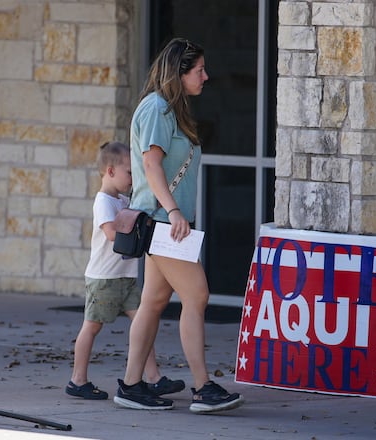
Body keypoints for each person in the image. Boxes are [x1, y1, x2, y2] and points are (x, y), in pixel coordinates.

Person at [114, 38, 245, 413]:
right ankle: (203, 388)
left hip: (165, 223)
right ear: (179, 72)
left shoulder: (170, 109)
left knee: (153, 302)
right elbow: (152, 166)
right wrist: (173, 213)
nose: (206, 76)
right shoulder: (156, 108)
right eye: (199, 70)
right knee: (197, 294)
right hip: (161, 222)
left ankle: (132, 385)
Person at [66, 141, 185, 400]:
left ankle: (154, 378)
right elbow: (111, 234)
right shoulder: (104, 202)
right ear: (110, 171)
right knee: (91, 327)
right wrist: (135, 220)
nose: (132, 179)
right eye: (129, 173)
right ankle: (77, 380)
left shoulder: (123, 200)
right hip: (104, 279)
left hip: (127, 278)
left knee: (144, 322)